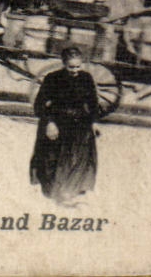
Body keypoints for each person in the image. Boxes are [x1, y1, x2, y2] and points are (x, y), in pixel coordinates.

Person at [30, 46, 102, 206]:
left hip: (79, 123)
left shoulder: (86, 78)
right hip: (57, 122)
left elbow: (93, 103)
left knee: (78, 158)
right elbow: (39, 104)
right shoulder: (53, 78)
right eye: (71, 67)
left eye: (78, 66)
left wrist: (94, 122)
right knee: (56, 159)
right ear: (63, 63)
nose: (75, 70)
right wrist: (49, 123)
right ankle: (58, 194)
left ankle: (70, 192)